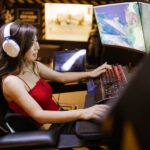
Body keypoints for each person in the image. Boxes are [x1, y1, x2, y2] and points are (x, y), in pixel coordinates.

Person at [0, 20, 111, 145]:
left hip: (61, 116)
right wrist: (83, 112)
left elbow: (60, 77)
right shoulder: (11, 82)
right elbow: (39, 115)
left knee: (107, 122)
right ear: (14, 48)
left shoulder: (32, 65)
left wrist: (90, 73)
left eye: (36, 41)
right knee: (105, 132)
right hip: (53, 128)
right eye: (32, 43)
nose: (38, 47)